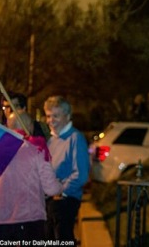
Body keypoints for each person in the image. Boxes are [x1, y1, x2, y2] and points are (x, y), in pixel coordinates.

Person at [0, 114, 62, 241]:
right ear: (30, 127)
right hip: (29, 219)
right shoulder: (36, 149)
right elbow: (51, 189)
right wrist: (60, 186)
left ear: (8, 127)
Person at [44, 95, 90, 242]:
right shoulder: (52, 140)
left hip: (64, 201)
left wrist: (61, 190)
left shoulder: (75, 138)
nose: (51, 121)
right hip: (50, 201)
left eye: (56, 116)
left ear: (67, 116)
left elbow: (81, 174)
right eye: (48, 116)